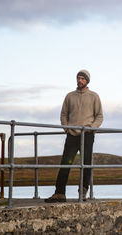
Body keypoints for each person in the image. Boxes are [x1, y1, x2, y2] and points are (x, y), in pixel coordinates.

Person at [45, 69, 103, 202]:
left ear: (87, 81)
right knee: (66, 162)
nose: (79, 80)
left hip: (87, 134)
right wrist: (66, 128)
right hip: (71, 134)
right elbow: (64, 114)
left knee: (86, 163)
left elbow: (99, 116)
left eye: (82, 78)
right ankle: (60, 193)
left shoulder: (94, 96)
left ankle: (82, 192)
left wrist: (92, 128)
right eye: (78, 78)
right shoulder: (69, 96)